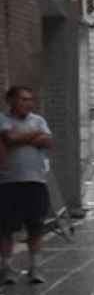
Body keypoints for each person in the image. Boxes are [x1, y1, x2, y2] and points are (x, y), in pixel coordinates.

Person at [1, 85, 53, 284]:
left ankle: (36, 267)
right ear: (10, 101)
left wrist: (21, 137)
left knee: (36, 226)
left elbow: (47, 141)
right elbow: (10, 138)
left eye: (30, 99)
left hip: (36, 181)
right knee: (6, 228)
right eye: (23, 99)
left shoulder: (38, 120)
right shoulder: (3, 119)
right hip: (8, 182)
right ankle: (7, 268)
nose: (27, 103)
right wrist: (34, 135)